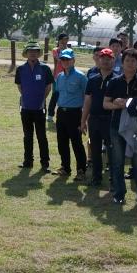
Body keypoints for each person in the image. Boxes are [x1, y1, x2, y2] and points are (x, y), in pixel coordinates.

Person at [103, 50, 137, 205]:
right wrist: (117, 104)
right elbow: (105, 103)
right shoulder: (115, 82)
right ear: (122, 63)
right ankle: (119, 194)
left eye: (133, 61)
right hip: (116, 127)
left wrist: (129, 103)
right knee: (117, 163)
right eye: (127, 60)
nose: (130, 63)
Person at [15, 42, 53, 171]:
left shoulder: (45, 68)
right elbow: (20, 86)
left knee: (41, 136)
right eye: (30, 51)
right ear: (26, 53)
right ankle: (28, 161)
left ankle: (45, 163)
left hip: (39, 107)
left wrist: (41, 98)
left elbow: (48, 86)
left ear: (38, 54)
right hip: (25, 108)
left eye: (35, 51)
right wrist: (27, 97)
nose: (33, 53)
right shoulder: (20, 69)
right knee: (27, 135)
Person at [81, 48, 116, 188]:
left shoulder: (118, 79)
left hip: (110, 120)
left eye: (109, 58)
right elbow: (87, 101)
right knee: (95, 150)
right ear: (98, 60)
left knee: (112, 151)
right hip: (94, 119)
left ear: (113, 60)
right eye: (103, 58)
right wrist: (83, 120)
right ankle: (96, 178)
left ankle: (114, 179)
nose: (105, 60)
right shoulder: (92, 79)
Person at [51, 48, 88, 177]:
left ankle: (81, 169)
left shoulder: (81, 77)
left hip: (75, 113)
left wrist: (84, 118)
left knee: (76, 142)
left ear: (73, 60)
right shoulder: (59, 77)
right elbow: (59, 95)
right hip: (61, 113)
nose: (65, 62)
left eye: (68, 59)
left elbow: (87, 97)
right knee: (62, 142)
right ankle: (65, 168)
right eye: (63, 59)